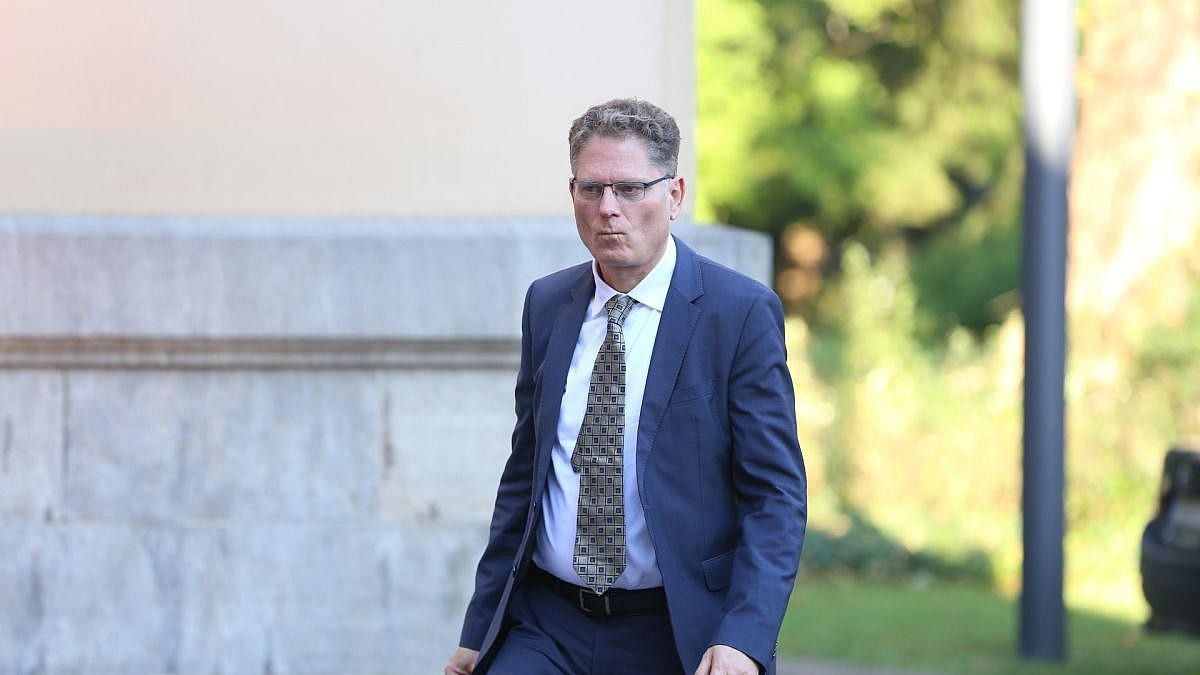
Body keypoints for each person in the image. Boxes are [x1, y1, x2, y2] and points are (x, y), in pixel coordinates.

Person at [445, 98, 806, 675]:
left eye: (631, 189)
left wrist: (744, 636)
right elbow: (524, 479)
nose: (608, 208)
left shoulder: (738, 313)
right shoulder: (548, 304)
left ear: (675, 195)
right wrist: (478, 631)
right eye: (591, 189)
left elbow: (775, 495)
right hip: (548, 624)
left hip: (674, 629)